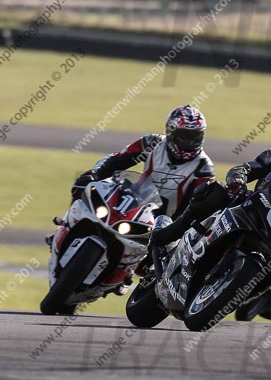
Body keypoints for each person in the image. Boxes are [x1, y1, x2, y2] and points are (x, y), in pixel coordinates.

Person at [69, 105, 215, 293]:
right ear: (171, 132)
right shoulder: (153, 143)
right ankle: (68, 226)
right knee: (84, 187)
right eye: (184, 136)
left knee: (153, 269)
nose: (189, 142)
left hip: (166, 221)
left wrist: (176, 230)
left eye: (195, 137)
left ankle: (127, 277)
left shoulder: (204, 167)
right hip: (133, 198)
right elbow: (120, 159)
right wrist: (95, 174)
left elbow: (197, 205)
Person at [150, 127, 271, 255]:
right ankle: (170, 234)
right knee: (213, 193)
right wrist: (237, 182)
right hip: (257, 207)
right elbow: (245, 169)